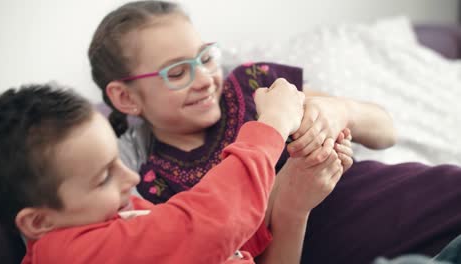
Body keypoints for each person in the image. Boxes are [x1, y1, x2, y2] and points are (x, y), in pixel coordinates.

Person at [88, 1, 461, 263]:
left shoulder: (252, 85)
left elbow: (386, 131)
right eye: (177, 72)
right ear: (125, 97)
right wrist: (287, 202)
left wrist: (336, 110)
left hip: (407, 198)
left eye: (204, 58)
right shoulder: (153, 184)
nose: (203, 79)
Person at [0, 82, 310, 263]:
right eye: (103, 177)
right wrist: (273, 124)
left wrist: (294, 192)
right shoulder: (66, 254)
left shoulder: (121, 217)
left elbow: (222, 237)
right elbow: (207, 226)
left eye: (117, 160)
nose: (130, 179)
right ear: (39, 221)